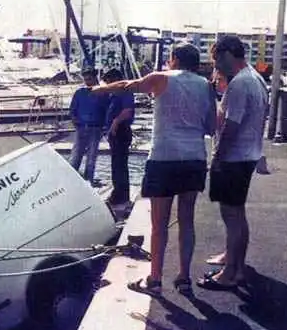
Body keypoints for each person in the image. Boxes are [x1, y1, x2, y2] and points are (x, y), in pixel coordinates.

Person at [91, 43, 217, 295]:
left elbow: (127, 85)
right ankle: (183, 277)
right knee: (187, 220)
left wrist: (99, 88)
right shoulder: (206, 86)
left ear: (174, 59)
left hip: (164, 158)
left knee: (159, 224)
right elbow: (211, 126)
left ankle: (155, 279)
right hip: (193, 158)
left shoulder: (161, 78)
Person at [197, 35, 269, 290]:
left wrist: (217, 157)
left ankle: (230, 274)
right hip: (247, 155)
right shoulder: (255, 78)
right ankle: (233, 259)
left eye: (217, 59)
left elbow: (231, 125)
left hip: (233, 158)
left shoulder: (239, 83)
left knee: (232, 215)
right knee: (237, 213)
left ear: (228, 54)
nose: (215, 65)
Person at [69, 67, 109, 184]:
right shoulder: (79, 93)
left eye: (89, 79)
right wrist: (75, 123)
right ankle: (71, 181)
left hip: (96, 128)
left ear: (95, 78)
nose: (87, 82)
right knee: (75, 157)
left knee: (91, 158)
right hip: (81, 128)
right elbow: (72, 110)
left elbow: (107, 111)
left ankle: (89, 182)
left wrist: (104, 128)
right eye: (85, 79)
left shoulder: (103, 93)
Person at [101, 68, 135, 205]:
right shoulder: (114, 95)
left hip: (121, 130)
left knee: (120, 164)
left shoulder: (125, 91)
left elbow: (128, 111)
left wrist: (115, 122)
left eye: (109, 82)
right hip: (114, 132)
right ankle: (118, 193)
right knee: (116, 164)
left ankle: (121, 195)